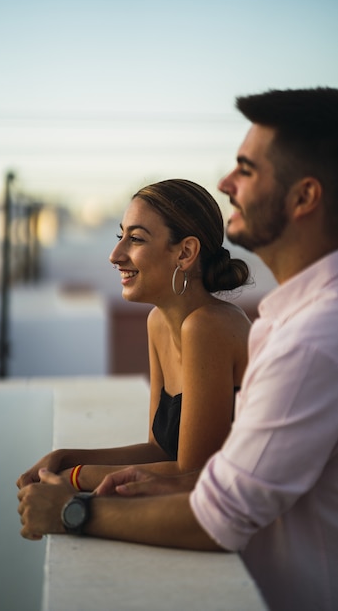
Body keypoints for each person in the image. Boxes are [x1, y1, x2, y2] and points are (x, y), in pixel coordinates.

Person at [18, 87, 338, 611]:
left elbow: (209, 496)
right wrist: (68, 457)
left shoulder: (296, 339)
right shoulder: (284, 321)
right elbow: (167, 452)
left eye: (247, 169)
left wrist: (71, 501)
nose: (225, 182)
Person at [17, 179, 251, 492]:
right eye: (120, 235)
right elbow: (159, 450)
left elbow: (191, 475)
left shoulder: (208, 327)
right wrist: (64, 459)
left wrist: (76, 478)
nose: (115, 255)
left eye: (136, 239)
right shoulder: (159, 322)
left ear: (185, 252)